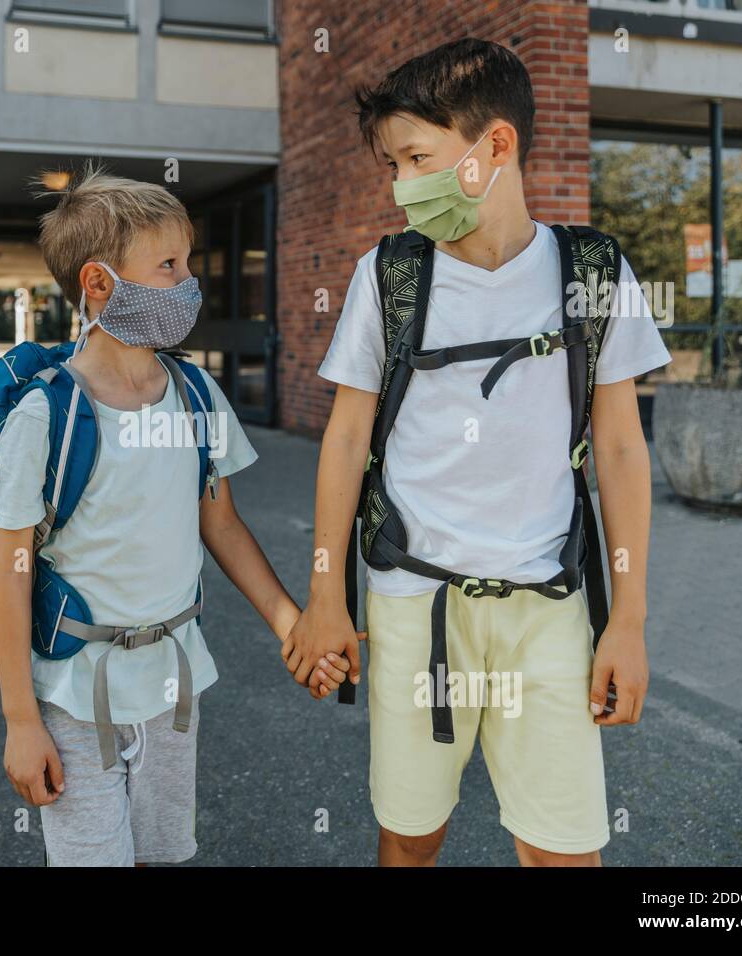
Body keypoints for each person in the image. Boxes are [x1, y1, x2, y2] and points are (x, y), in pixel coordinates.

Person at [284, 38, 672, 866]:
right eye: (392, 165)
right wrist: (327, 597)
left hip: (549, 612)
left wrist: (628, 621)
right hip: (414, 604)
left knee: (565, 849)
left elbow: (621, 451)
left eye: (417, 158)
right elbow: (346, 439)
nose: (400, 186)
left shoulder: (592, 273)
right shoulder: (390, 277)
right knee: (410, 839)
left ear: (495, 146)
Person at [0, 166, 327, 866]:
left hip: (173, 682)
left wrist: (292, 625)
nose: (189, 283)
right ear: (100, 283)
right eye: (168, 266)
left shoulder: (196, 392)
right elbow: (9, 568)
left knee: (161, 855)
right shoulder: (45, 414)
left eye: (188, 263)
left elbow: (221, 522)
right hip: (76, 688)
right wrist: (22, 720)